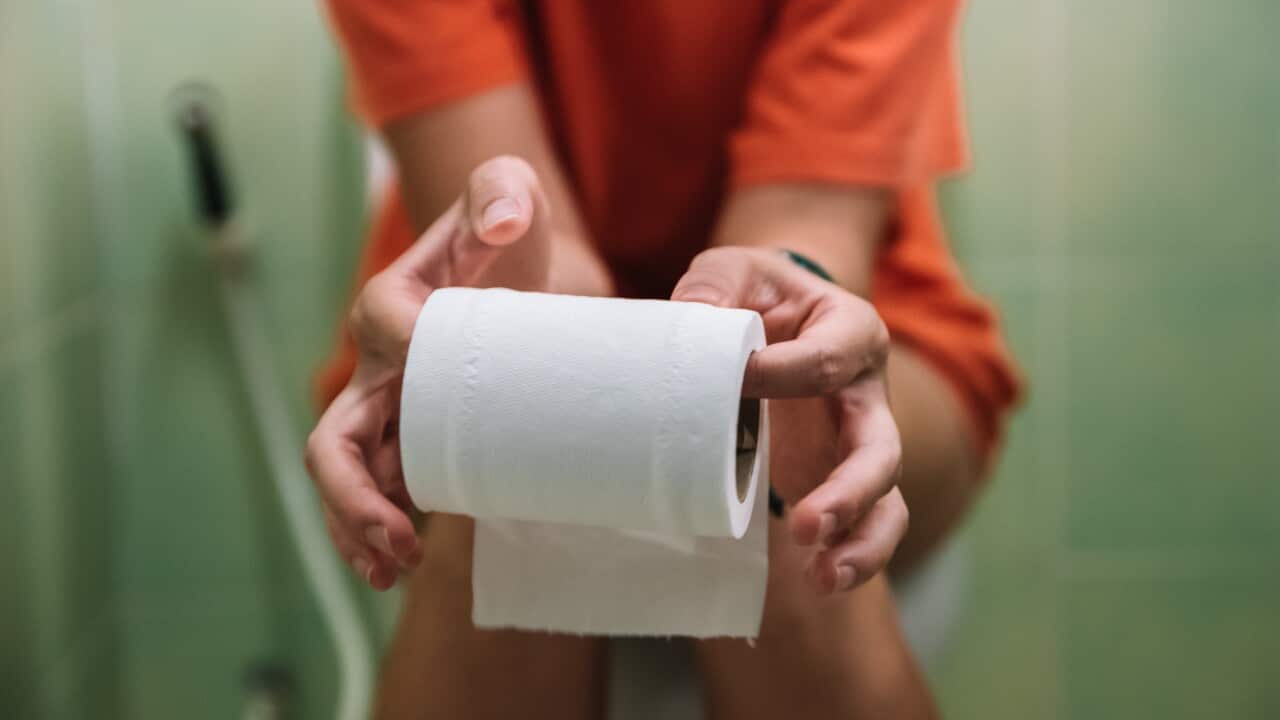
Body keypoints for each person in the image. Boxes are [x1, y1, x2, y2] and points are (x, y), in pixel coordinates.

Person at [305, 1, 1021, 718]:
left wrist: (739, 364)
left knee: (774, 446)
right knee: (522, 444)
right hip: (507, 298)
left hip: (858, 321)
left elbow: (800, 235)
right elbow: (519, 246)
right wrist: (564, 367)